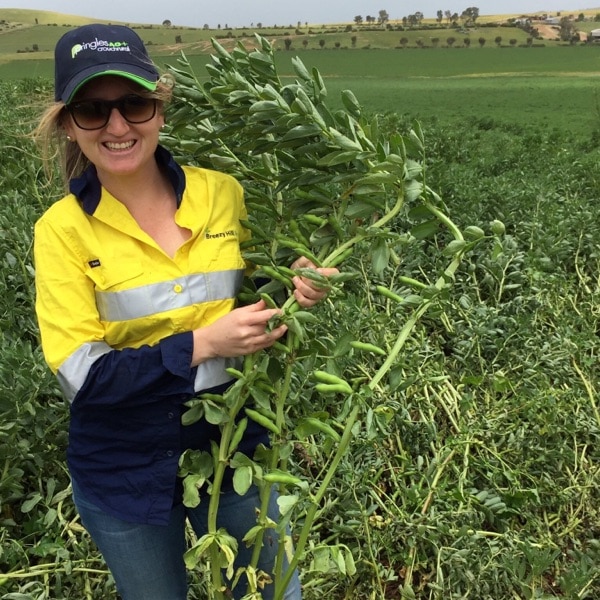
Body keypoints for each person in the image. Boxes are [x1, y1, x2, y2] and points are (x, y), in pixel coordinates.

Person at [33, 23, 337, 600]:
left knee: (277, 593)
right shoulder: (60, 232)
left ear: (160, 108)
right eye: (93, 111)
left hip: (237, 448)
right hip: (123, 468)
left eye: (134, 104)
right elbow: (86, 380)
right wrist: (205, 343)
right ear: (69, 123)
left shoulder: (221, 192)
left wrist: (295, 285)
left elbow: (257, 290)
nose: (118, 126)